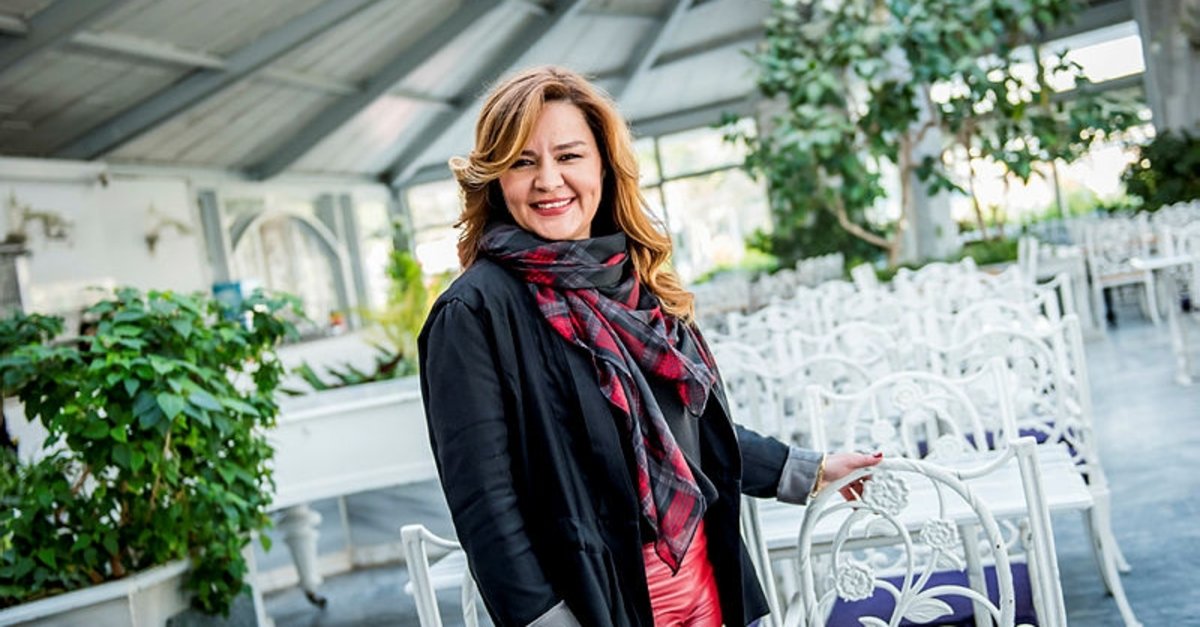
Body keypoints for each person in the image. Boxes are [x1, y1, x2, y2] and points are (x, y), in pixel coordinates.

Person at [418, 65, 882, 627]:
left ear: (603, 166)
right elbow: (486, 505)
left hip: (705, 579)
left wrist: (808, 470)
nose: (548, 180)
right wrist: (546, 620)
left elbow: (690, 433)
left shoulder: (635, 281)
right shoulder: (474, 313)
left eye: (569, 156)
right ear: (496, 178)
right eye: (522, 161)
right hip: (599, 603)